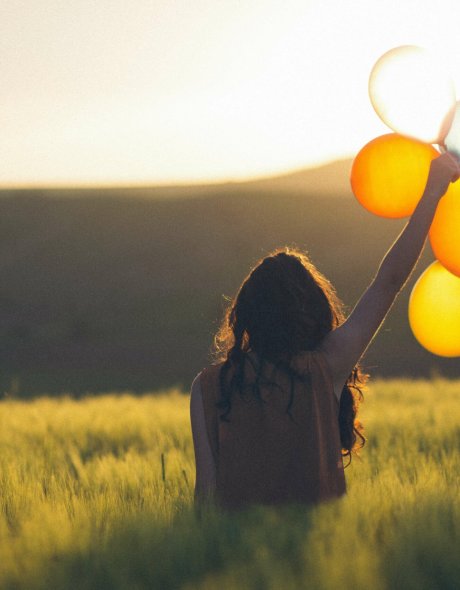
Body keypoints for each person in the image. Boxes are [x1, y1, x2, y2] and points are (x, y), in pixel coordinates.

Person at [190, 152, 460, 512]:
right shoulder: (325, 368)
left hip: (237, 562)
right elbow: (389, 282)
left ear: (247, 315)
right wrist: (432, 191)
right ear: (312, 311)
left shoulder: (208, 387)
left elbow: (205, 493)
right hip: (320, 560)